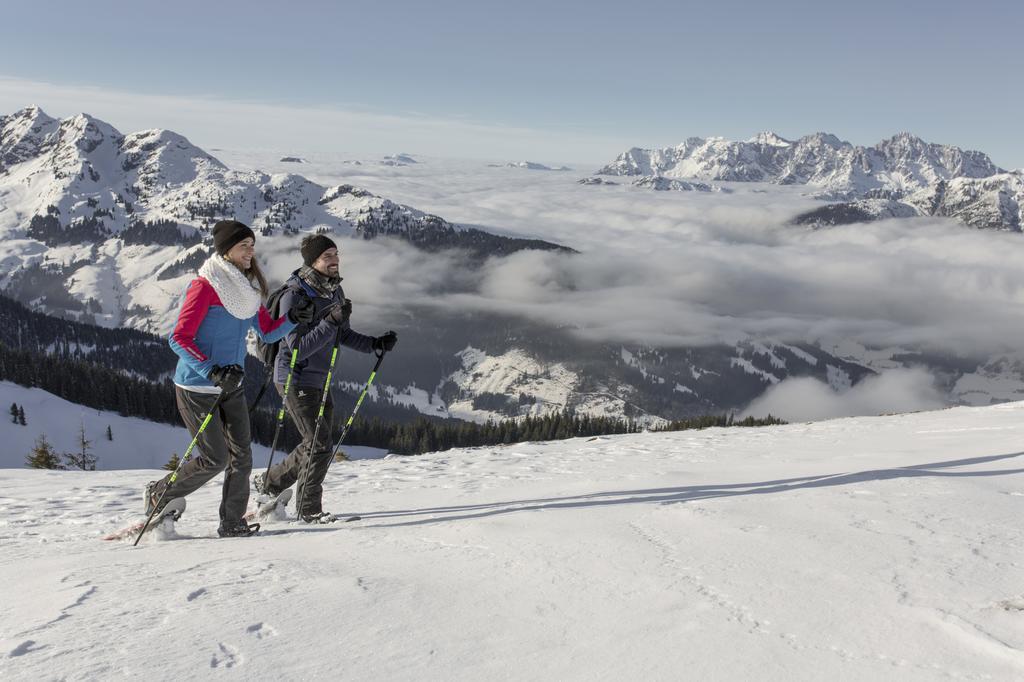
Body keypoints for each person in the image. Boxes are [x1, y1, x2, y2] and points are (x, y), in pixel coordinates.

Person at [153, 220, 316, 537]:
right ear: (226, 250)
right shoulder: (205, 287)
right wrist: (212, 370)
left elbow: (266, 332)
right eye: (244, 246)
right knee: (215, 458)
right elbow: (179, 338)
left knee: (242, 456)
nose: (250, 252)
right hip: (197, 386)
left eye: (252, 246)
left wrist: (292, 319)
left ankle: (232, 522)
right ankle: (159, 493)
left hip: (232, 386)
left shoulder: (248, 291)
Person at [254, 234, 398, 522]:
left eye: (335, 254)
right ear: (312, 261)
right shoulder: (295, 296)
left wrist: (374, 344)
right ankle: (309, 510)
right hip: (294, 377)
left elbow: (341, 334)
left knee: (316, 442)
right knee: (319, 442)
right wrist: (329, 321)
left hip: (320, 378)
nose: (334, 260)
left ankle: (270, 483)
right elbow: (298, 348)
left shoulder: (333, 292)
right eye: (327, 256)